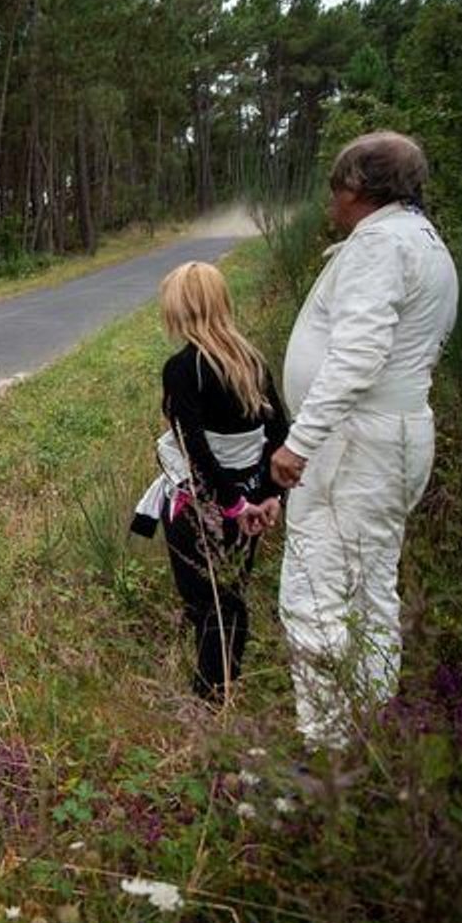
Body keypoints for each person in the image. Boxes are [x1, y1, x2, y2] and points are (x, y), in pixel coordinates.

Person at [269, 130, 458, 750]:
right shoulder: (424, 242)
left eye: (335, 185)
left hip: (353, 444)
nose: (331, 199)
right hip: (394, 435)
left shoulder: (379, 245)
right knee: (371, 588)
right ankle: (370, 730)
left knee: (316, 590)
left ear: (358, 187)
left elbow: (357, 356)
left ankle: (327, 750)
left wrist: (301, 440)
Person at [133, 262, 288, 701]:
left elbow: (194, 447)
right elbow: (279, 433)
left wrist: (231, 505)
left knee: (206, 605)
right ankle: (223, 688)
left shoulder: (184, 368)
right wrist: (268, 497)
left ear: (181, 308)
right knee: (231, 596)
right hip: (251, 500)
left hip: (203, 506)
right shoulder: (251, 362)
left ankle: (208, 700)